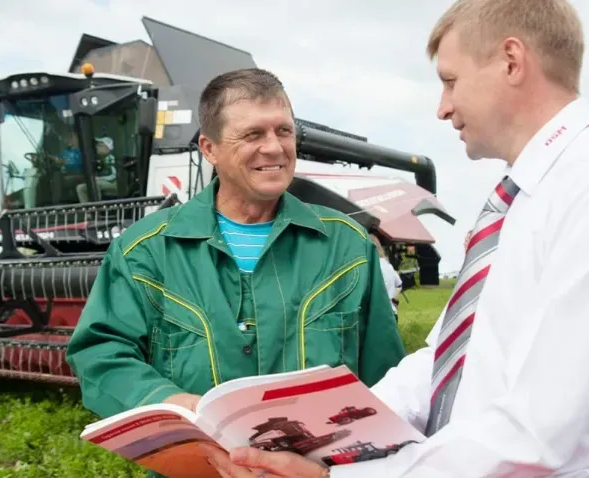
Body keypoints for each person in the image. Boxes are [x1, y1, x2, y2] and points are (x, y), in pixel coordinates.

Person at [200, 0, 589, 476]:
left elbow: (534, 430)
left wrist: (336, 474)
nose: (442, 108)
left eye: (450, 80)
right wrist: (316, 438)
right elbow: (442, 361)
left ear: (511, 61)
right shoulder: (524, 196)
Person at [65, 67, 406, 463]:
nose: (275, 147)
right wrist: (168, 401)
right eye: (253, 134)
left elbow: (386, 375)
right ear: (209, 149)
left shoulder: (346, 245)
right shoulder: (143, 251)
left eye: (284, 131)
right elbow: (101, 354)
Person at [369, 233, 402, 320]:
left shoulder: (372, 266)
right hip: (391, 312)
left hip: (378, 316)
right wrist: (391, 298)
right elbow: (399, 284)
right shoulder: (388, 265)